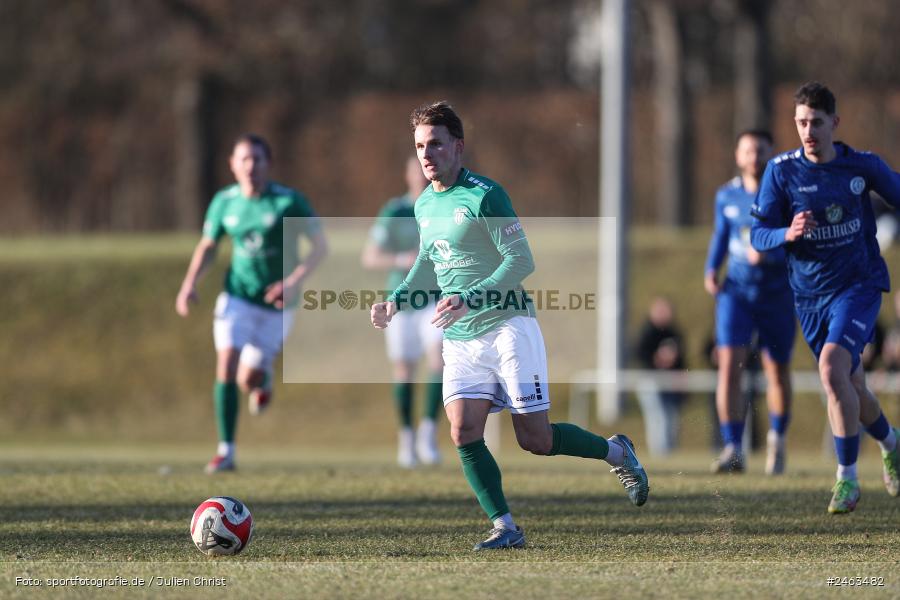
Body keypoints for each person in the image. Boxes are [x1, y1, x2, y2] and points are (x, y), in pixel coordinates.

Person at [370, 101, 649, 550]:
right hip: (460, 338)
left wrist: (468, 296)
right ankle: (505, 527)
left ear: (457, 147)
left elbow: (521, 260)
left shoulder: (485, 194)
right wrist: (396, 301)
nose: (427, 154)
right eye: (420, 145)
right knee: (463, 431)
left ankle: (618, 452)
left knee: (535, 439)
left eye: (436, 144)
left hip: (508, 327)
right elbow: (428, 261)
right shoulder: (423, 204)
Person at [751, 82, 900, 514]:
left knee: (832, 368)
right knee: (850, 382)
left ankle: (847, 480)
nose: (808, 131)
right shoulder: (781, 172)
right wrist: (787, 233)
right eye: (800, 122)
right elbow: (758, 236)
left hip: (859, 286)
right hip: (809, 297)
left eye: (816, 122)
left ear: (835, 122)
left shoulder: (861, 167)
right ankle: (891, 442)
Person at [176, 134, 328, 474]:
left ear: (268, 164)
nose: (250, 166)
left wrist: (292, 283)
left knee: (249, 379)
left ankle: (264, 381)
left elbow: (320, 247)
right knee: (227, 363)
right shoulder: (224, 202)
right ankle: (225, 450)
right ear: (232, 164)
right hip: (237, 298)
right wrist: (189, 285)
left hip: (278, 305)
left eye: (257, 159)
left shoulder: (289, 202)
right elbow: (208, 246)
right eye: (243, 159)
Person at [705, 130, 796, 475]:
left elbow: (796, 241)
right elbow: (722, 235)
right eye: (748, 150)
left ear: (770, 154)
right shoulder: (726, 195)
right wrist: (711, 268)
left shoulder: (785, 195)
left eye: (760, 150)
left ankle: (778, 439)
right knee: (729, 367)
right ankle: (733, 447)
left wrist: (770, 256)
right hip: (736, 294)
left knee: (777, 369)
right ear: (738, 155)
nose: (754, 156)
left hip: (776, 293)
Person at [361, 156, 444, 468]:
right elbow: (370, 256)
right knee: (405, 370)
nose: (422, 176)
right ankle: (406, 437)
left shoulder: (444, 206)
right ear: (408, 175)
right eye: (416, 170)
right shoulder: (395, 211)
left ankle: (428, 432)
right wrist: (401, 260)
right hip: (403, 300)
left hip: (436, 298)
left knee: (440, 358)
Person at [634, 297, 686, 455]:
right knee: (658, 418)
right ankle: (660, 453)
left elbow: (682, 360)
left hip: (669, 383)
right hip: (651, 382)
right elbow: (640, 355)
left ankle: (669, 452)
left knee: (672, 419)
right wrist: (656, 359)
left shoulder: (674, 333)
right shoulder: (647, 332)